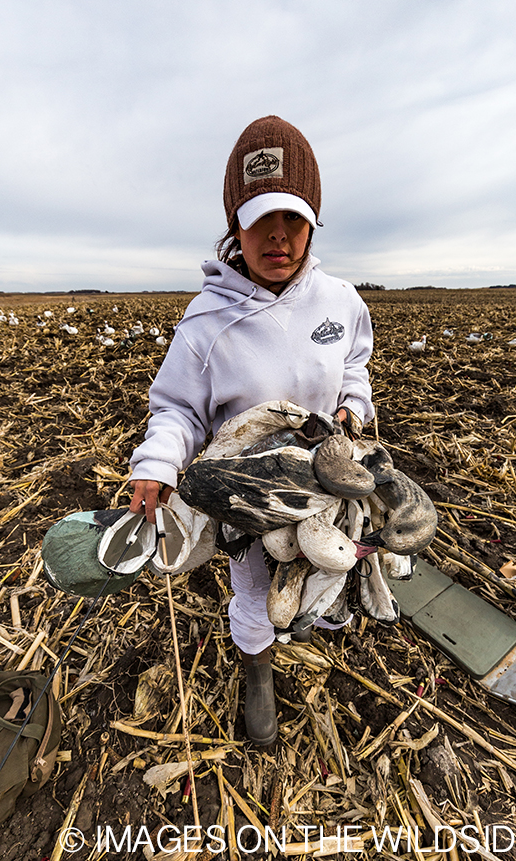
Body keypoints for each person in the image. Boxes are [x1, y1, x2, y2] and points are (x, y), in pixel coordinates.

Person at [128, 115, 375, 745]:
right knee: (255, 585)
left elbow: (353, 365)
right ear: (236, 223)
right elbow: (177, 407)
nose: (278, 236)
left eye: (293, 218)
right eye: (261, 218)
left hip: (324, 475)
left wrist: (351, 407)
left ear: (312, 222)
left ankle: (319, 611)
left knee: (322, 560)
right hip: (245, 491)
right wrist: (156, 464)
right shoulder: (207, 324)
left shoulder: (340, 301)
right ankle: (258, 668)